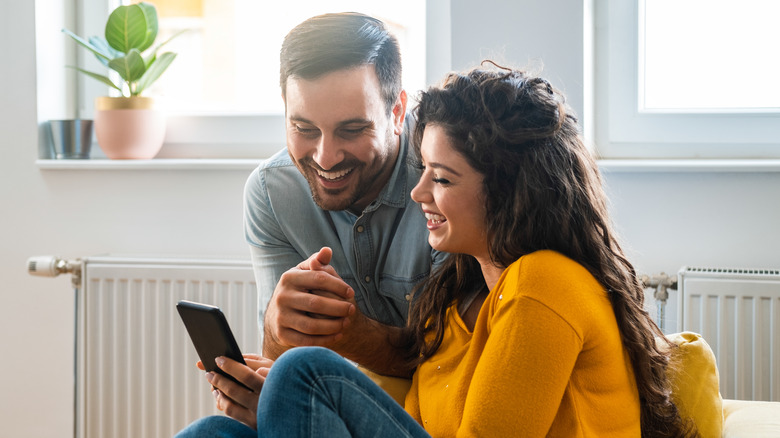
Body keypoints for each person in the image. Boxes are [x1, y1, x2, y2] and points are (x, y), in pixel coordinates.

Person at [176, 65, 698, 436]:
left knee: (305, 370)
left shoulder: (545, 283)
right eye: (422, 169)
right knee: (214, 433)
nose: (419, 192)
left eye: (442, 178)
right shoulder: (461, 301)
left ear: (509, 192)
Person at [196, 11, 444, 428]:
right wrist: (271, 349)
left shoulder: (443, 176)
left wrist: (351, 335)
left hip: (429, 415)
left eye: (351, 129)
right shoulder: (272, 194)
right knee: (213, 429)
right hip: (336, 410)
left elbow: (454, 365)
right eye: (304, 128)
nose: (325, 157)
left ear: (398, 110)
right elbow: (280, 358)